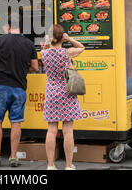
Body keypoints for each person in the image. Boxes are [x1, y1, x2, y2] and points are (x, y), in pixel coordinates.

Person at [0, 13, 38, 167]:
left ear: (8, 26)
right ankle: (13, 157)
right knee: (16, 123)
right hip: (19, 88)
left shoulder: (0, 40)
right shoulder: (29, 44)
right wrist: (22, 70)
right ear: (20, 26)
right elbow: (35, 67)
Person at [41, 25, 85, 170]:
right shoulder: (67, 52)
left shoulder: (44, 53)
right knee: (68, 131)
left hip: (51, 93)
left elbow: (47, 46)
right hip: (67, 92)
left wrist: (48, 40)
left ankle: (50, 165)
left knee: (51, 130)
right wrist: (69, 38)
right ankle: (67, 166)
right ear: (62, 37)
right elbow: (82, 47)